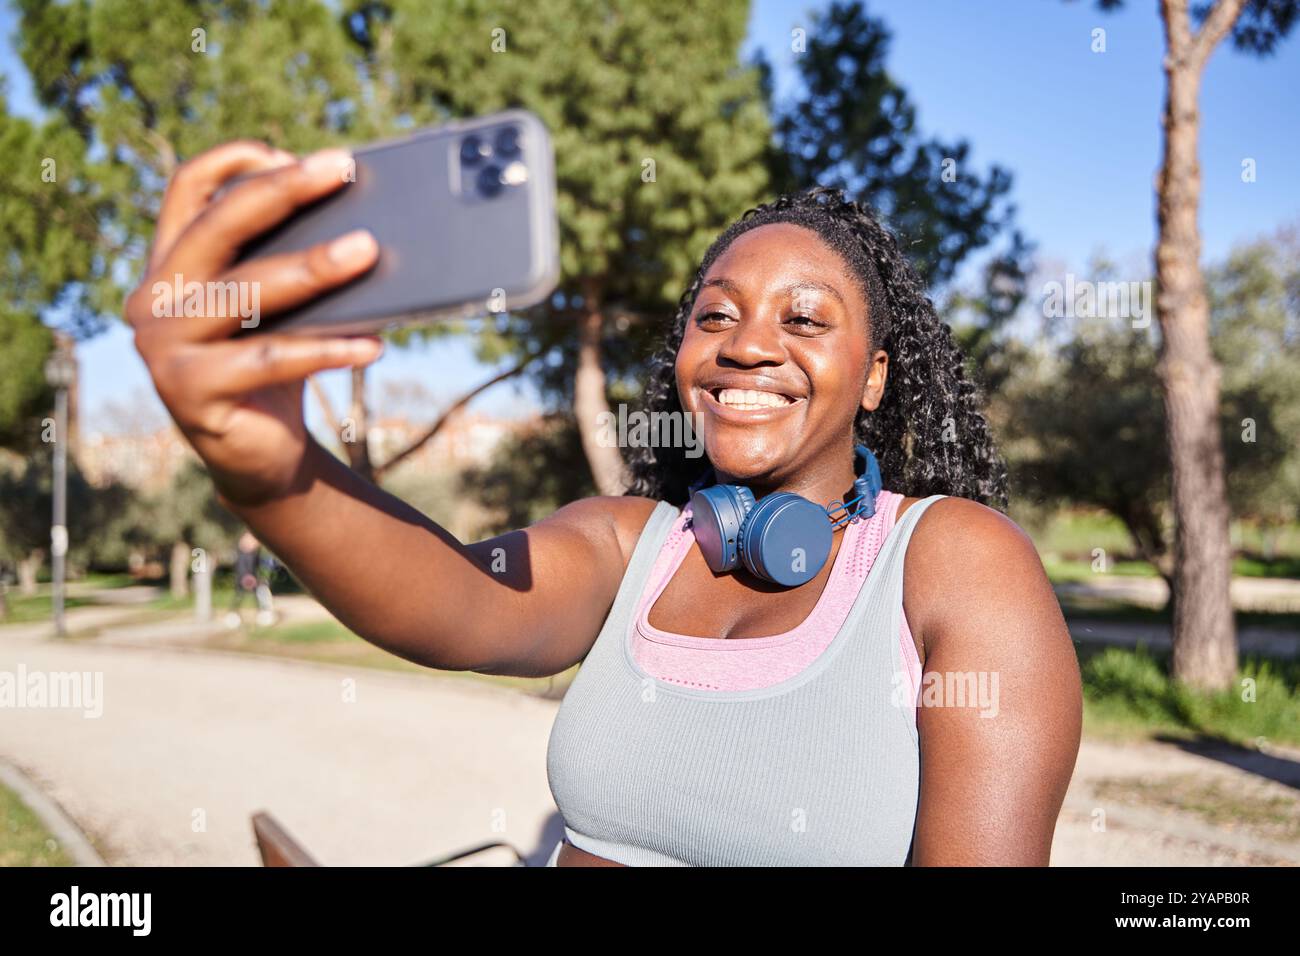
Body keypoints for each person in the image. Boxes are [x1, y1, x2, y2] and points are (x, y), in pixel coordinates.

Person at [125, 142, 1082, 866]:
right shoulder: (636, 544)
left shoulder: (955, 559)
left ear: (875, 378)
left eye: (804, 317)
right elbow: (452, 597)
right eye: (716, 313)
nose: (747, 343)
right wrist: (261, 465)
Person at [225, 530, 277, 629]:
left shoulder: (255, 553)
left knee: (256, 595)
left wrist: (260, 576)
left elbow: (258, 565)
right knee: (239, 596)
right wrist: (246, 577)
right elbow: (241, 567)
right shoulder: (242, 554)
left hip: (252, 577)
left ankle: (262, 614)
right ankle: (233, 615)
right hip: (244, 577)